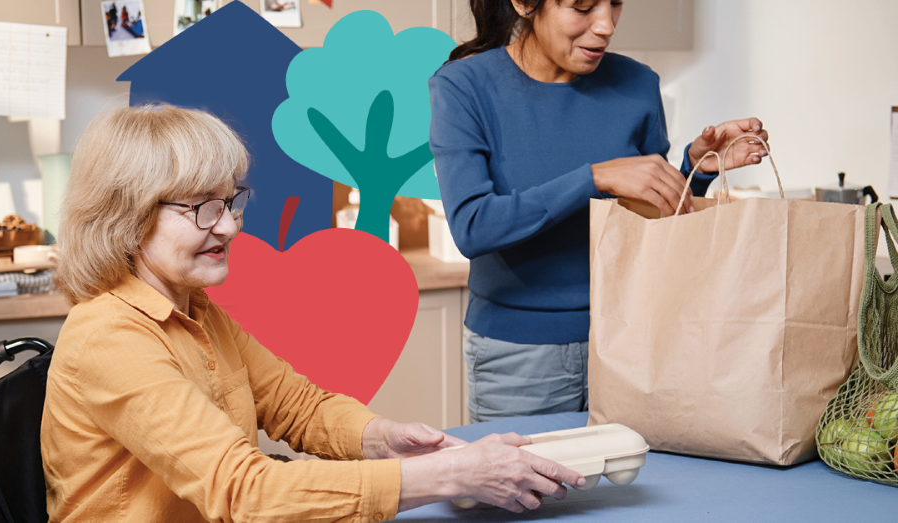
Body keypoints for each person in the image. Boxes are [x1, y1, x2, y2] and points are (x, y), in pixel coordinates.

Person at [41, 104, 588, 522]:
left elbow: (296, 407)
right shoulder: (108, 337)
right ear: (129, 219)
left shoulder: (195, 311)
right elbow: (244, 492)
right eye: (201, 208)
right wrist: (444, 474)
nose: (230, 227)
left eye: (230, 202)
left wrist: (384, 437)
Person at [428, 0, 771, 423]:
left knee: (642, 490)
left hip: (631, 344)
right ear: (525, 4)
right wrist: (594, 178)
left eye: (616, 4)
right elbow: (473, 226)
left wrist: (695, 172)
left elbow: (647, 228)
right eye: (583, 6)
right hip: (519, 362)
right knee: (524, 488)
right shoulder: (464, 86)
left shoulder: (638, 84)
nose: (606, 25)